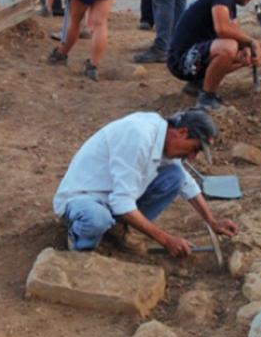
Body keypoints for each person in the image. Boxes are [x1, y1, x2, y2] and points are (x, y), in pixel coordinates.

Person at [53, 108, 238, 257]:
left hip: (114, 197)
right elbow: (122, 203)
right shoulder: (139, 138)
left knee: (175, 176)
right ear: (182, 132)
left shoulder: (163, 135)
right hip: (84, 198)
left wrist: (212, 221)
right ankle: (79, 245)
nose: (192, 157)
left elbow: (186, 183)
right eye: (194, 149)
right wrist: (166, 240)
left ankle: (118, 229)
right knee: (97, 219)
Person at [168, 0, 261, 110]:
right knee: (229, 47)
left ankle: (197, 84)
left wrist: (247, 48)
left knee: (244, 54)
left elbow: (234, 33)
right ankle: (207, 96)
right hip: (181, 62)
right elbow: (222, 30)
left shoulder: (229, 4)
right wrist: (252, 42)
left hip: (194, 61)